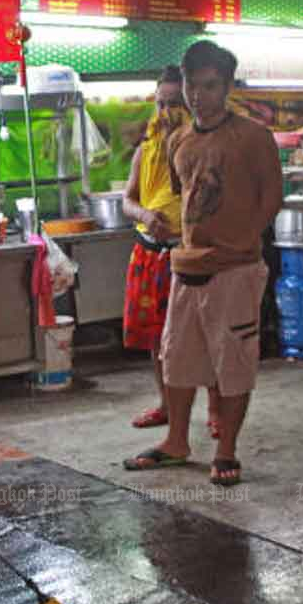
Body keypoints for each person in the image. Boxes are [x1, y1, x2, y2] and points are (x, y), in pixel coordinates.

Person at [121, 41, 283, 486]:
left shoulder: (253, 137)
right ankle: (176, 441)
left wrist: (243, 240)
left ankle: (226, 450)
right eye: (193, 85)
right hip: (185, 265)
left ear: (227, 87)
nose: (199, 95)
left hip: (236, 269)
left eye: (210, 86)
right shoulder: (180, 140)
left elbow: (272, 196)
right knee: (177, 359)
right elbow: (185, 193)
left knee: (232, 364)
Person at [122, 65, 223, 436]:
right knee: (156, 338)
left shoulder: (202, 148)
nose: (167, 112)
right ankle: (166, 405)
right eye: (161, 104)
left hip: (190, 252)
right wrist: (146, 214)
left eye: (175, 104)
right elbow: (127, 201)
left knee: (204, 335)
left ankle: (216, 409)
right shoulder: (145, 151)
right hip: (149, 253)